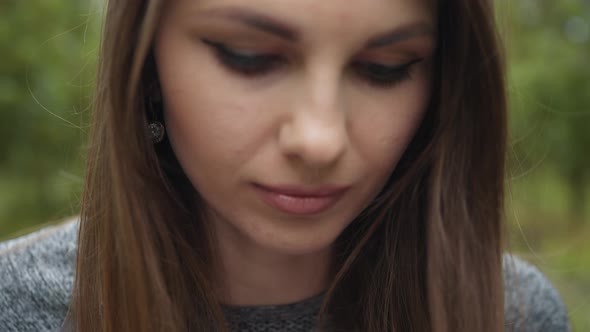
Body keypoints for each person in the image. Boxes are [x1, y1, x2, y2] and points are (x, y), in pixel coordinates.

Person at [0, 0, 571, 331]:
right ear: (147, 61)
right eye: (249, 58)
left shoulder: (513, 316)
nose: (320, 139)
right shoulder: (17, 307)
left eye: (385, 68)